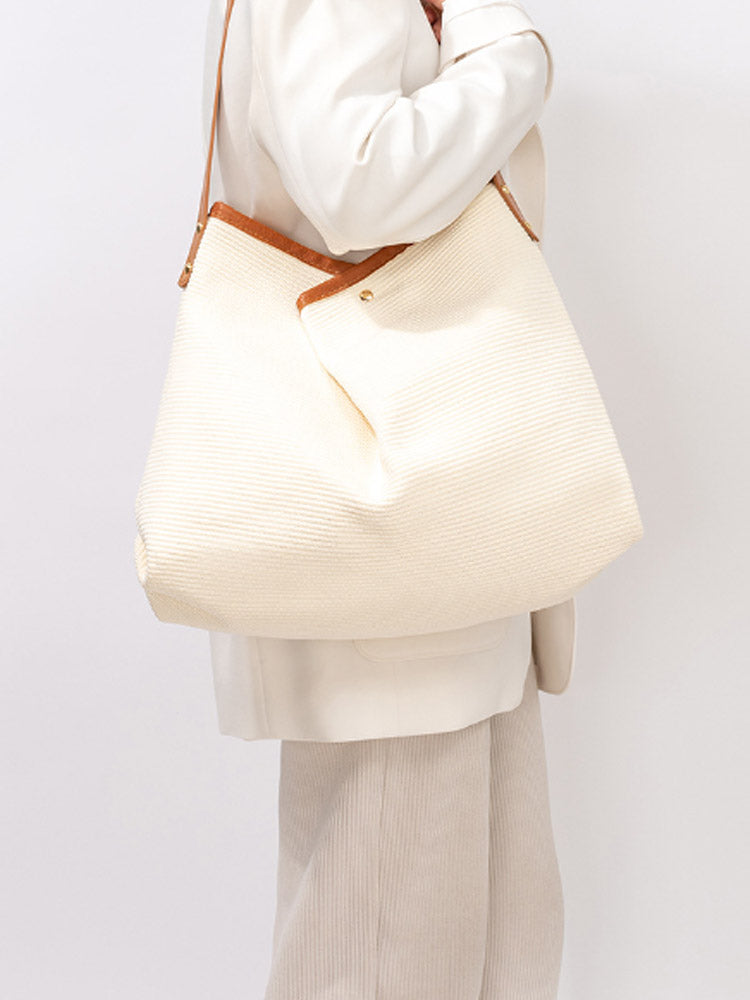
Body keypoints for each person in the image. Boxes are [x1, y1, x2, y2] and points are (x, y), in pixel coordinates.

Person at [199, 0, 575, 996]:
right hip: (393, 546)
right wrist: (510, 53)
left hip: (443, 533)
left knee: (494, 929)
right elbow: (356, 182)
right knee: (386, 941)